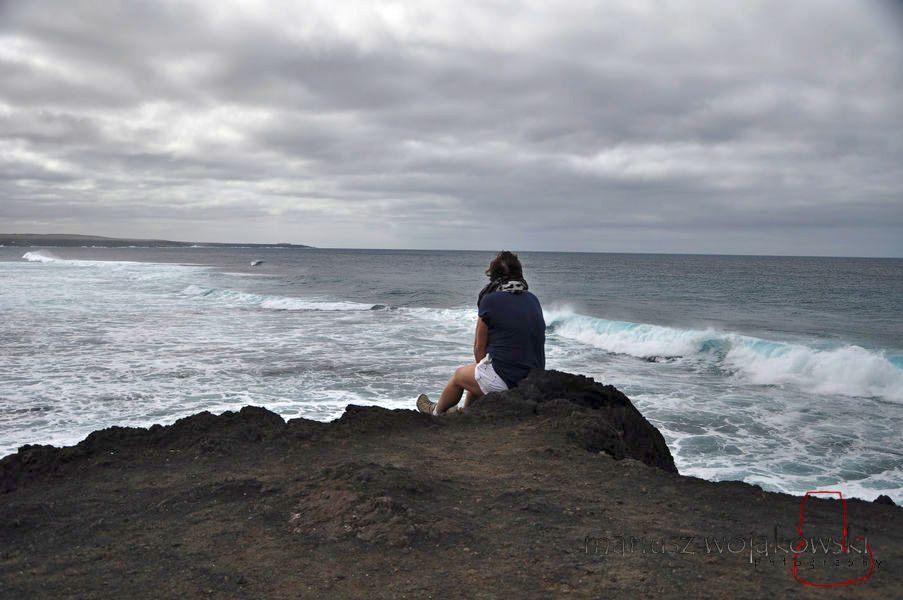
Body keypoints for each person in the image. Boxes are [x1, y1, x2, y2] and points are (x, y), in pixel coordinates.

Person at [417, 251, 545, 415]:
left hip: (509, 380)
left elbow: (479, 347)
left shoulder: (490, 301)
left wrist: (484, 370)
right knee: (479, 374)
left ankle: (435, 413)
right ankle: (467, 413)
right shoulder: (532, 299)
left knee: (459, 376)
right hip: (532, 378)